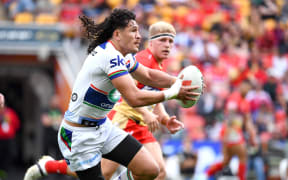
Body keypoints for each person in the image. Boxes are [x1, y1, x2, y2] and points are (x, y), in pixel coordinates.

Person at [24, 8, 199, 180]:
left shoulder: (124, 56)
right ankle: (48, 166)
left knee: (150, 169)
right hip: (79, 135)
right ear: (117, 34)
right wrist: (173, 93)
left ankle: (50, 165)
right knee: (105, 175)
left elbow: (148, 75)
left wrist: (177, 82)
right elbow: (134, 97)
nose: (139, 36)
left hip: (103, 127)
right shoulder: (109, 57)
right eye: (133, 30)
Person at [205, 80, 257, 180]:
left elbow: (247, 121)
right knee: (242, 154)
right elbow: (230, 116)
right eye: (246, 87)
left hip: (236, 132)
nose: (247, 90)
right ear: (242, 86)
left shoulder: (245, 102)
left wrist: (252, 135)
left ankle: (206, 174)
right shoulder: (235, 97)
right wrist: (226, 134)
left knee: (226, 161)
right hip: (231, 132)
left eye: (249, 89)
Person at [0, 93, 20, 177]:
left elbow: (17, 124)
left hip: (9, 139)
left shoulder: (10, 113)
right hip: (0, 139)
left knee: (9, 156)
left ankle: (6, 173)